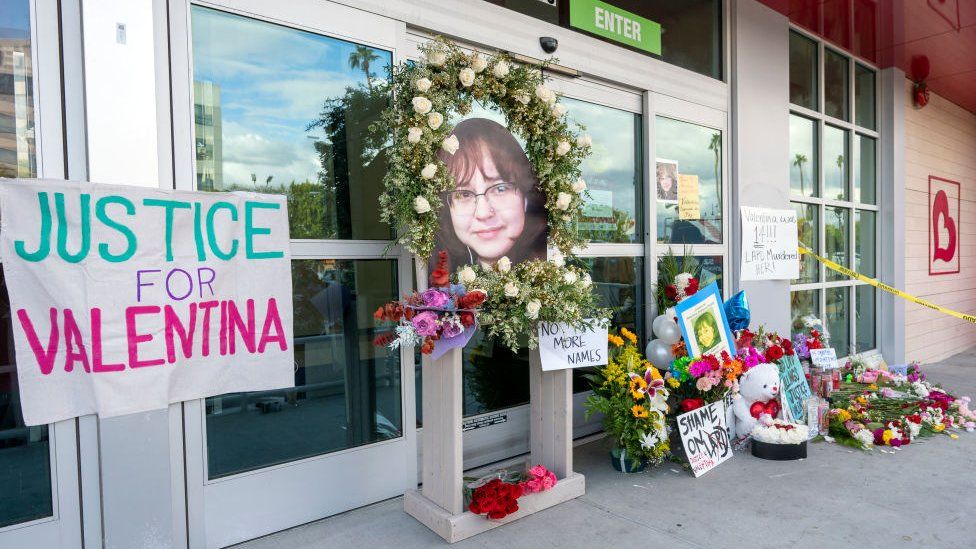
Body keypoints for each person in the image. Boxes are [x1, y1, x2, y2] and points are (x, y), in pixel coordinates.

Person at [432, 118, 547, 271]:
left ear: (525, 196)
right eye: (464, 194)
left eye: (500, 189)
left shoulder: (553, 276)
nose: (483, 213)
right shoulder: (443, 286)